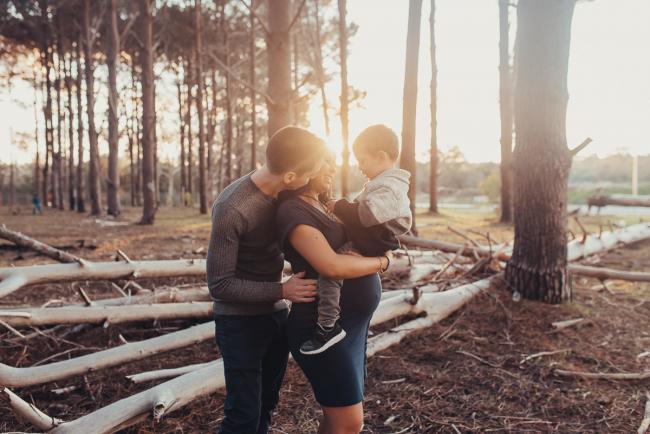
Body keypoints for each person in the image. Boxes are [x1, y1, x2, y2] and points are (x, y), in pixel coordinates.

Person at [206, 126, 327, 434]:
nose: (313, 175)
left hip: (275, 316)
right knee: (243, 416)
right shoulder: (232, 207)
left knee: (266, 406)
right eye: (309, 171)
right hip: (239, 325)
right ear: (289, 176)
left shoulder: (288, 193)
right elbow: (219, 285)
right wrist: (282, 289)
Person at [276, 154, 391, 434]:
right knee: (349, 423)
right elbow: (331, 265)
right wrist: (382, 263)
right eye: (324, 161)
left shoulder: (324, 204)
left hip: (351, 328)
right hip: (322, 331)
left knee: (337, 420)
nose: (331, 167)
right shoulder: (293, 211)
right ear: (304, 166)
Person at [299, 124, 412, 356]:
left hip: (375, 240)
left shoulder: (390, 187)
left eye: (362, 160)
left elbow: (368, 214)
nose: (359, 167)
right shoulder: (384, 183)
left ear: (380, 157)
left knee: (330, 274)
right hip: (372, 241)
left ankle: (327, 325)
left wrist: (341, 207)